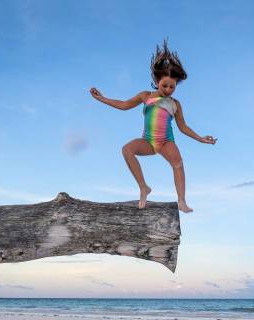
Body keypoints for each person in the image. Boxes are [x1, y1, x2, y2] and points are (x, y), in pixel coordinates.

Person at [90, 39, 216, 213]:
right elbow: (124, 105)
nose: (168, 89)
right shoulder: (146, 96)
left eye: (172, 87)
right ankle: (143, 187)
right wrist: (102, 98)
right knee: (127, 150)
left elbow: (183, 127)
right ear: (157, 81)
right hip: (148, 141)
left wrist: (201, 139)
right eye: (165, 85)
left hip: (166, 142)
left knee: (178, 164)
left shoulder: (175, 104)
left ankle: (182, 200)